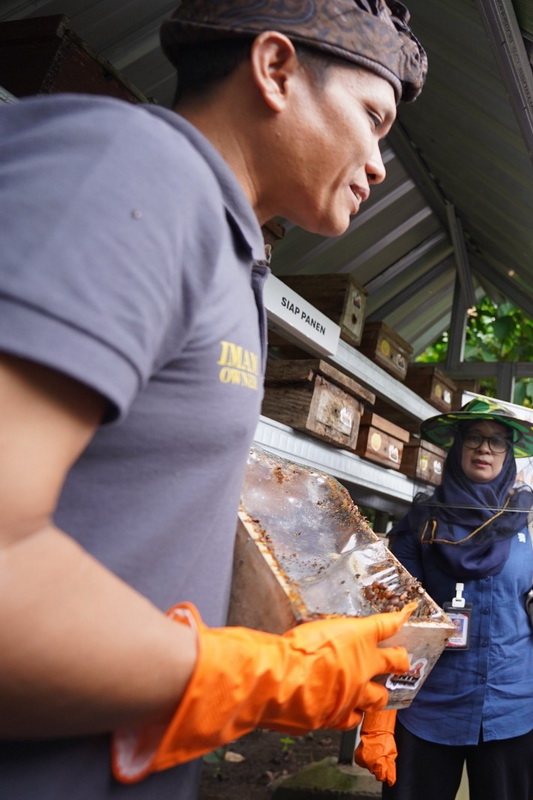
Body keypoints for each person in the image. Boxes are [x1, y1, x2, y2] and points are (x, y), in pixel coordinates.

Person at [0, 1, 428, 798]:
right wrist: (254, 677)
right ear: (276, 70)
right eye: (372, 118)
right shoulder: (132, 173)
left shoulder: (234, 253)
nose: (377, 163)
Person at [354, 398, 533, 800]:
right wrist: (379, 717)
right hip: (426, 709)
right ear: (458, 447)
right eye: (475, 437)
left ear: (509, 454)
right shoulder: (422, 521)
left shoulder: (529, 520)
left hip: (510, 708)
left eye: (497, 441)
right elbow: (397, 618)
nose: (485, 448)